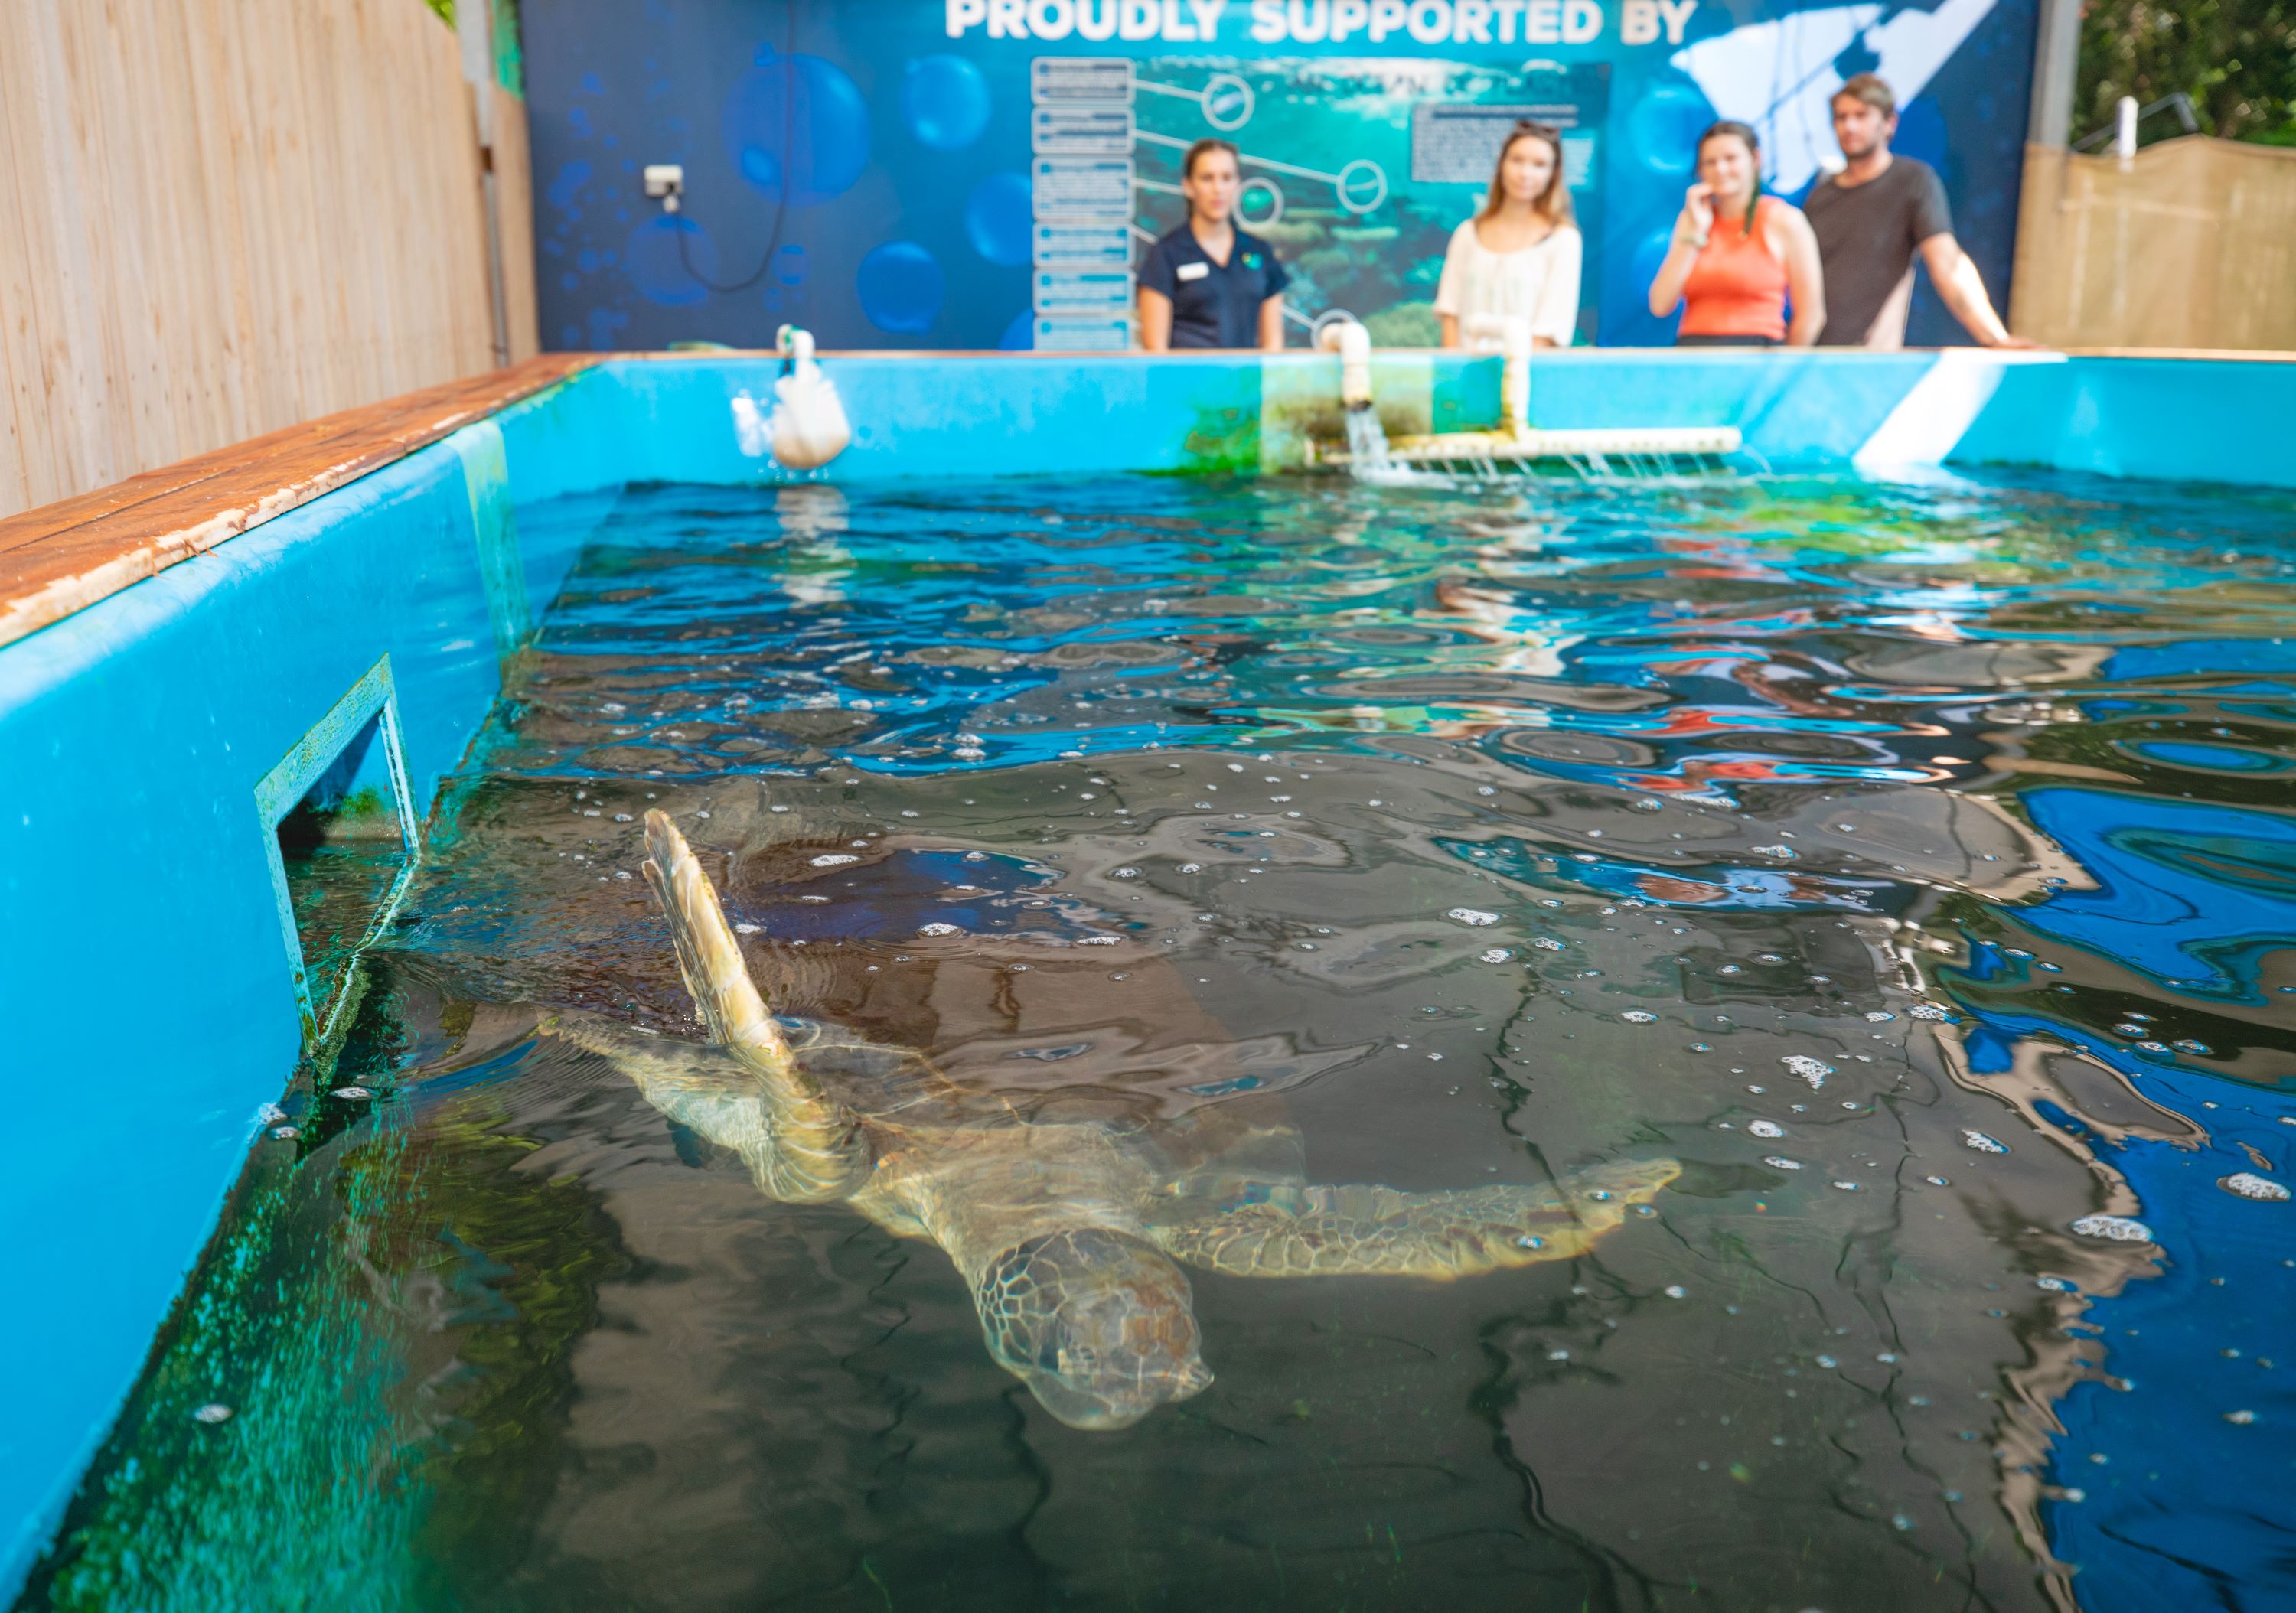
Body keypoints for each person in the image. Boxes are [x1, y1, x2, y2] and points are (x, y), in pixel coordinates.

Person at [1806, 73, 2033, 348]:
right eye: (1841, 117)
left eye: (1861, 115)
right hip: (1809, 359)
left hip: (1871, 363)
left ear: (1890, 124)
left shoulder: (1913, 182)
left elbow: (1948, 264)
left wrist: (1996, 339)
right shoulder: (1819, 198)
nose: (1850, 126)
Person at [1647, 121, 1825, 347]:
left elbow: (1811, 316)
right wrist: (1695, 233)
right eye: (1710, 162)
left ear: (1755, 160)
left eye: (1730, 159)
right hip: (1694, 354)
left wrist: (1784, 374)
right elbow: (1660, 304)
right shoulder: (1692, 220)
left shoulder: (1785, 220)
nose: (1720, 169)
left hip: (1757, 353)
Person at [1433, 121, 1583, 349]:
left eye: (1539, 165)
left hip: (1526, 376)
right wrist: (1454, 376)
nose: (1525, 173)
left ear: (1552, 175)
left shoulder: (1563, 240)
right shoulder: (1467, 233)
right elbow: (1450, 313)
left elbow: (1550, 329)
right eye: (1517, 160)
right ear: (1501, 164)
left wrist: (1514, 377)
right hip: (1465, 377)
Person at [1138, 138, 1288, 351]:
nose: (1218, 188)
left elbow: (1274, 345)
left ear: (1237, 184)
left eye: (1226, 178)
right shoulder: (1165, 254)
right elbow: (1155, 350)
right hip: (1188, 382)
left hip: (1245, 382)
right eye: (1207, 178)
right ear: (1189, 186)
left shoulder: (1260, 252)